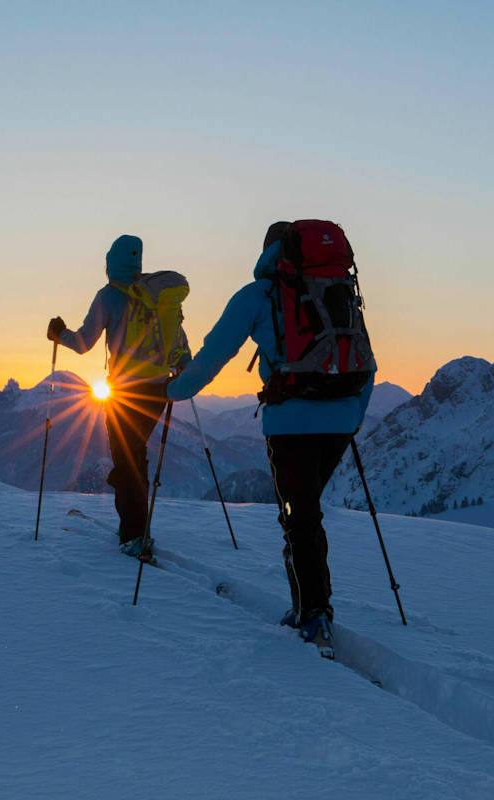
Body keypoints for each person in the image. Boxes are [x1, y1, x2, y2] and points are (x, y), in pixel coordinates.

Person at [166, 222, 374, 656]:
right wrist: (353, 415)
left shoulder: (257, 295)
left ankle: (315, 616)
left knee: (300, 519)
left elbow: (212, 355)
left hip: (290, 425)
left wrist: (173, 390)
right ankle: (308, 606)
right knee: (306, 515)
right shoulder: (337, 289)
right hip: (340, 420)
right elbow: (366, 362)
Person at [47, 234, 187, 558]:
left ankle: (134, 535)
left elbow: (83, 343)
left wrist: (59, 334)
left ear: (111, 262)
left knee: (127, 462)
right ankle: (138, 526)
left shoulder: (108, 296)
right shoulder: (156, 297)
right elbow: (178, 344)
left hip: (125, 392)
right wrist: (182, 371)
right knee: (134, 457)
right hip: (159, 390)